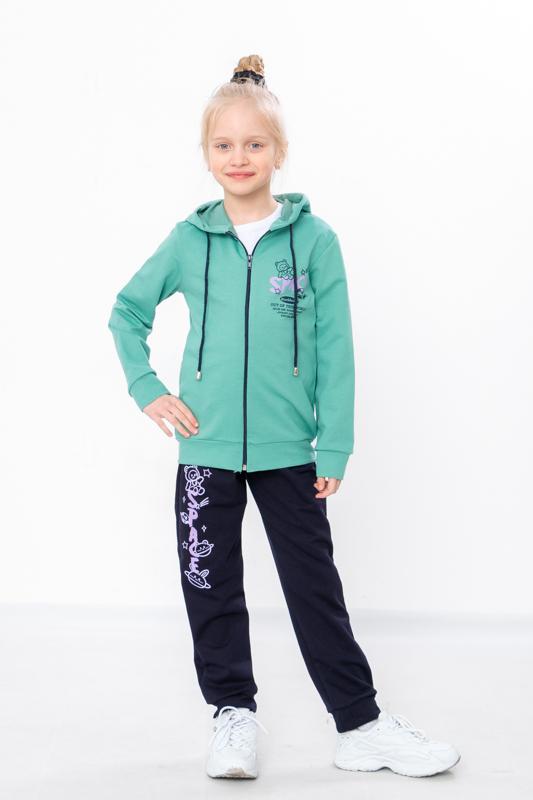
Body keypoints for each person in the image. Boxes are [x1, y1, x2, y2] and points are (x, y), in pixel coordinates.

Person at [108, 54, 461, 780]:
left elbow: (336, 350)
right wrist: (147, 388)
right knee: (210, 587)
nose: (239, 157)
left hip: (290, 451)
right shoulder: (188, 240)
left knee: (314, 589)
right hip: (204, 449)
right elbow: (127, 311)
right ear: (206, 154)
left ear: (279, 152)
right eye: (224, 144)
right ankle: (231, 716)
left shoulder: (314, 241)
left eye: (254, 144)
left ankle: (359, 725)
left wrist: (334, 446)